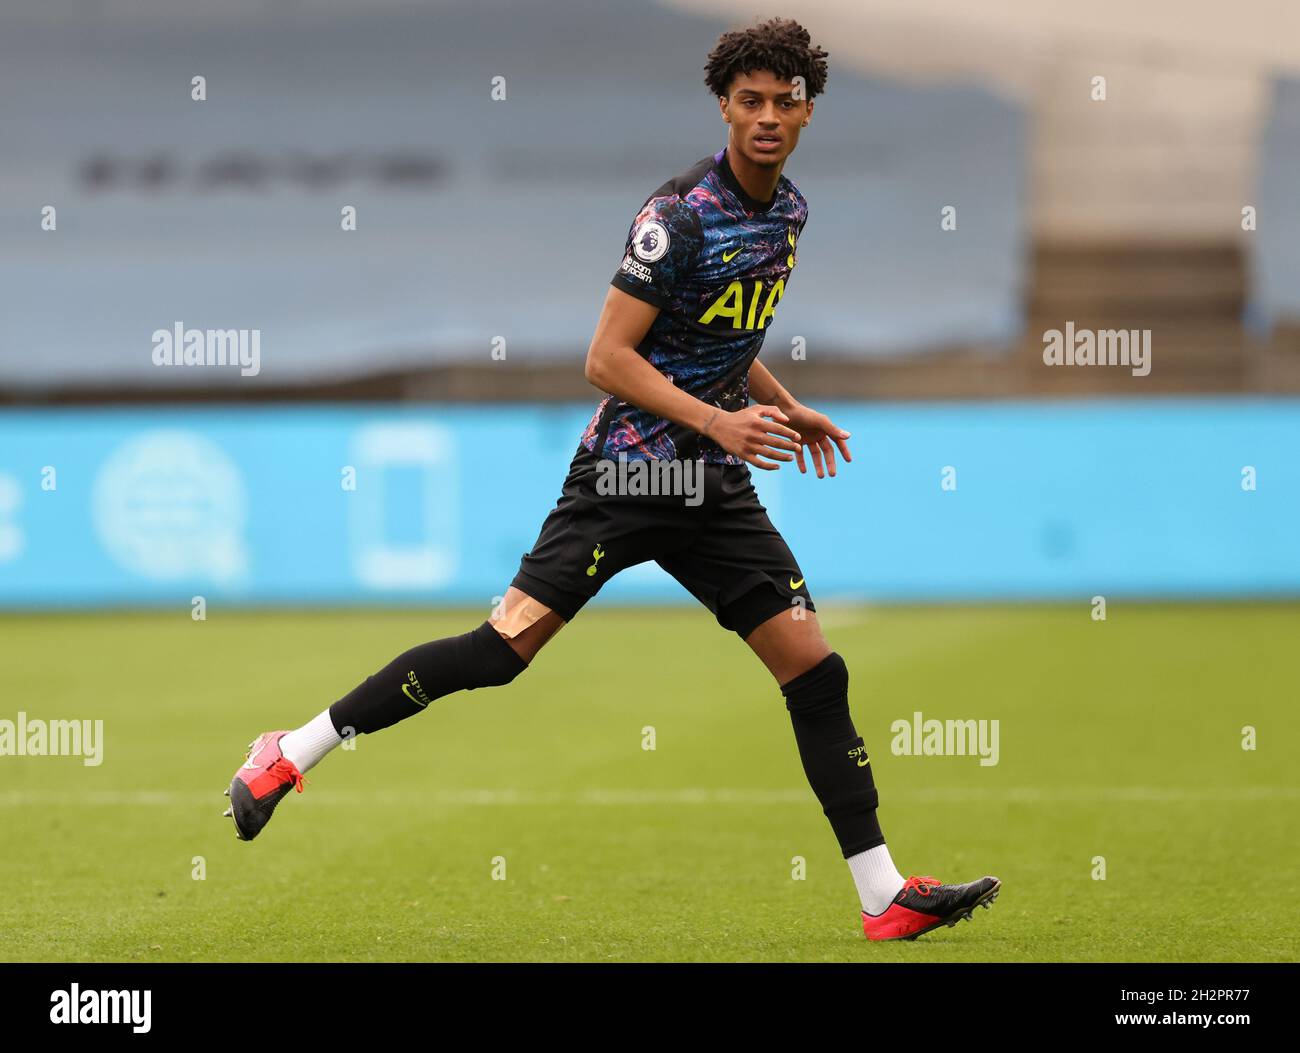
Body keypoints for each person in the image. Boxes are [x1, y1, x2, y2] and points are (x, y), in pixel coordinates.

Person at [225, 16, 999, 942]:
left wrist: (784, 403)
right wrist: (718, 420)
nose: (765, 116)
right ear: (724, 106)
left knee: (815, 670)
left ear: (806, 113)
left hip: (711, 485)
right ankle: (291, 750)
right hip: (628, 475)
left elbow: (724, 338)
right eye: (748, 100)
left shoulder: (789, 212)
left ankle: (881, 896)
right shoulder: (674, 217)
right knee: (498, 652)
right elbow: (606, 357)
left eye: (783, 102)